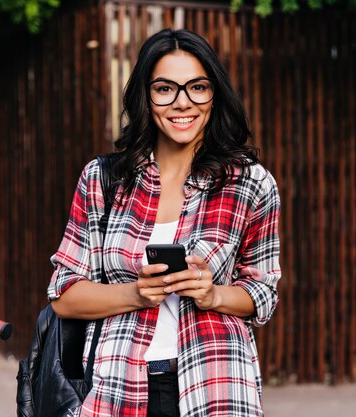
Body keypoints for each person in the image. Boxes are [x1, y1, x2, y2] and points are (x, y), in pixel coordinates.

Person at [47, 28, 281, 417]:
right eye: (165, 89)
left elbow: (263, 293)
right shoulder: (102, 179)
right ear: (146, 95)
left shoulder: (251, 183)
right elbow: (64, 295)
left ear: (214, 94)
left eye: (197, 87)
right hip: (118, 390)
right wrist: (136, 294)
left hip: (217, 387)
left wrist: (213, 295)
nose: (182, 103)